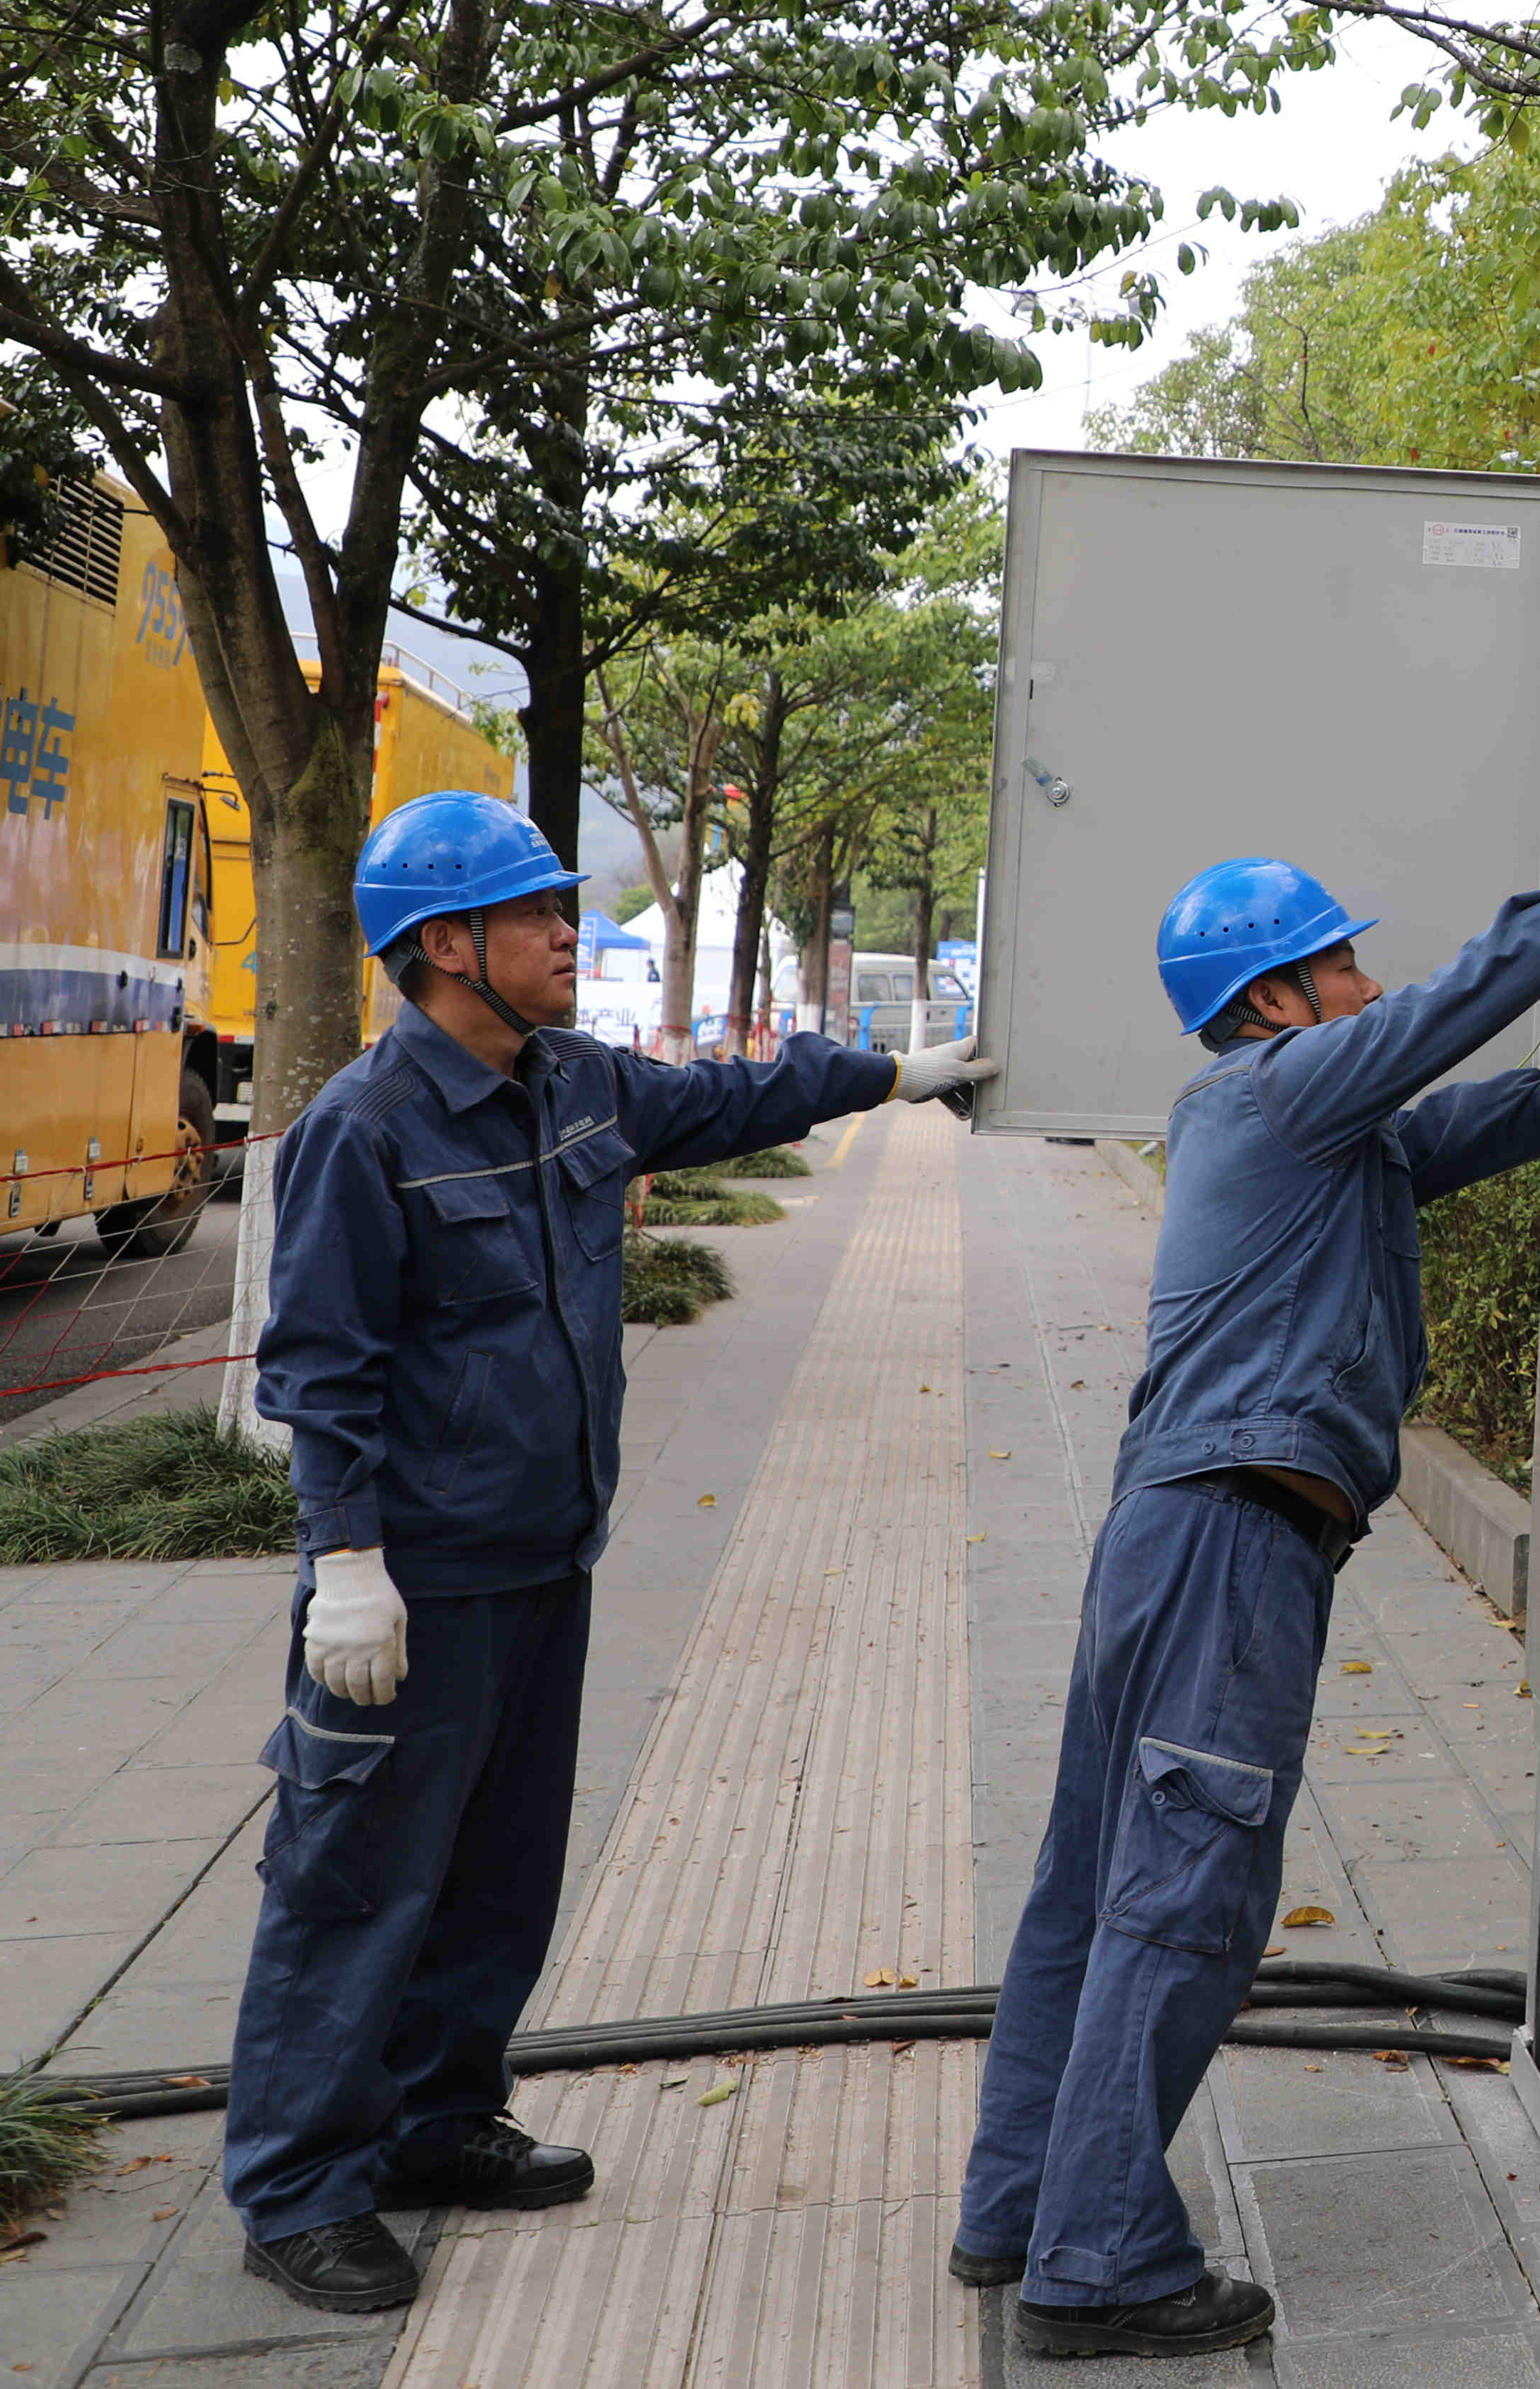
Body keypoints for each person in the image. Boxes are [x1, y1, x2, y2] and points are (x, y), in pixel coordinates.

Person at [225, 789, 1001, 2315]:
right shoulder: (363, 1132)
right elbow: (319, 1369)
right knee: (357, 1877)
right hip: (417, 1582)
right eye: (536, 913)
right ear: (446, 945)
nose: (571, 933)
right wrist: (349, 1563)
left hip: (542, 1558)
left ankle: (437, 2124)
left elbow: (729, 1100)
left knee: (499, 1876)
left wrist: (896, 1073)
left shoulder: (572, 1080)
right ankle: (300, 2187)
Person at [953, 831, 1540, 2361]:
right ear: (1277, 995)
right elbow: (1464, 1005)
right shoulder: (1286, 1090)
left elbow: (1451, 1125)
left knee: (1093, 1879)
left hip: (1172, 1531)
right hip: (1229, 1546)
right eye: (1342, 961)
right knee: (1187, 1891)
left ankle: (1018, 2200)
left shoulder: (1292, 1121)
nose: (1368, 979)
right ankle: (1098, 2261)